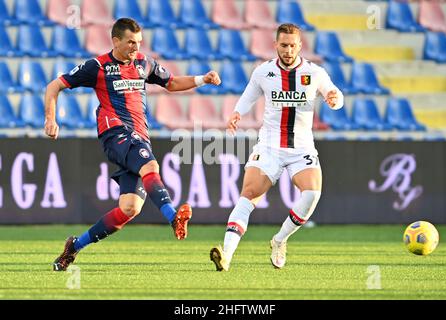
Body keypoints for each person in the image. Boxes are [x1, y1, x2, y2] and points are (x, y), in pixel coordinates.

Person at [45, 18, 221, 271]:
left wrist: (202, 79)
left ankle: (74, 247)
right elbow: (55, 86)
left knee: (129, 208)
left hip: (139, 136)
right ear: (115, 40)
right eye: (130, 42)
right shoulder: (98, 66)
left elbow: (170, 83)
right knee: (150, 165)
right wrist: (51, 119)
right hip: (114, 132)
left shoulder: (144, 63)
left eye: (138, 42)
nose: (135, 47)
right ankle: (173, 217)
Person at [210, 23, 343, 271]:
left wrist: (335, 100)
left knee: (312, 194)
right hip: (270, 146)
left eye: (293, 45)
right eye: (284, 45)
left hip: (301, 147)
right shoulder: (264, 72)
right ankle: (225, 255)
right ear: (275, 45)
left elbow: (334, 93)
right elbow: (250, 94)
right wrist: (237, 113)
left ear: (300, 46)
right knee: (248, 195)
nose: (288, 50)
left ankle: (280, 240)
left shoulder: (315, 73)